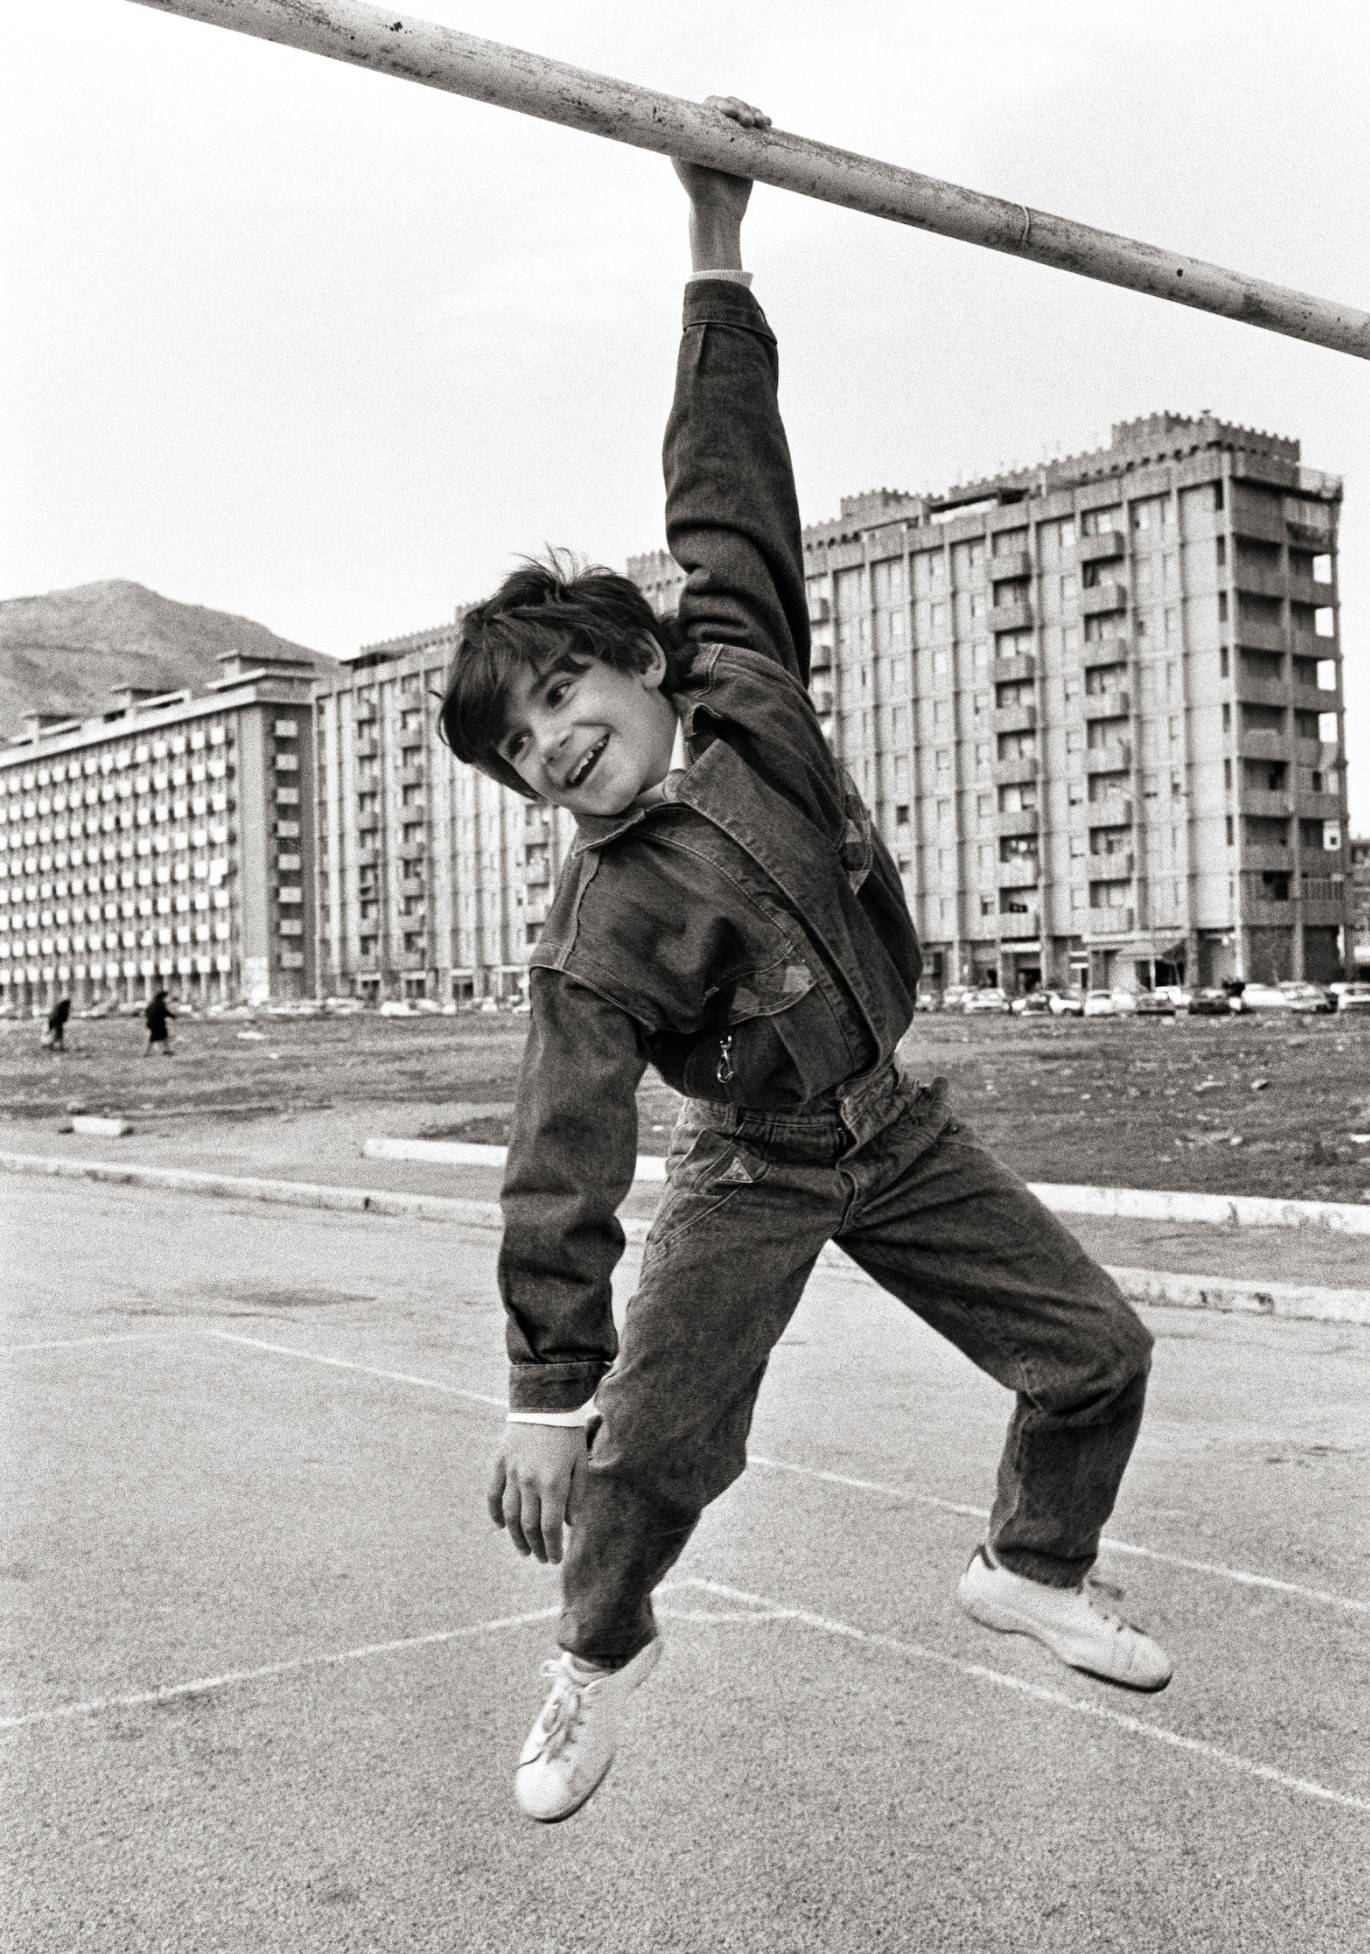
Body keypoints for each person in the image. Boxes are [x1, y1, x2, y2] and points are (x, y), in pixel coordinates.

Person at [438, 100, 1171, 1826]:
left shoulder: (748, 684)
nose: (550, 745)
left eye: (561, 698)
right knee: (655, 1453)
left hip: (893, 1133)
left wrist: (716, 242)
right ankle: (596, 1658)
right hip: (758, 1166)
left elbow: (725, 490)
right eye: (517, 750)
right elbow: (563, 1162)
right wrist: (550, 1390)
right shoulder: (595, 933)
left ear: (636, 661)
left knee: (1098, 1354)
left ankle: (1032, 1564)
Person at [144, 987, 172, 1056]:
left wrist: (150, 1018)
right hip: (157, 1024)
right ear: (163, 997)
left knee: (163, 1036)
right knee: (156, 1038)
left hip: (153, 1023)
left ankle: (166, 1050)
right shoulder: (160, 1003)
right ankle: (147, 1053)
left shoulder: (153, 1003)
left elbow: (147, 1011)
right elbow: (164, 1012)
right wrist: (173, 1016)